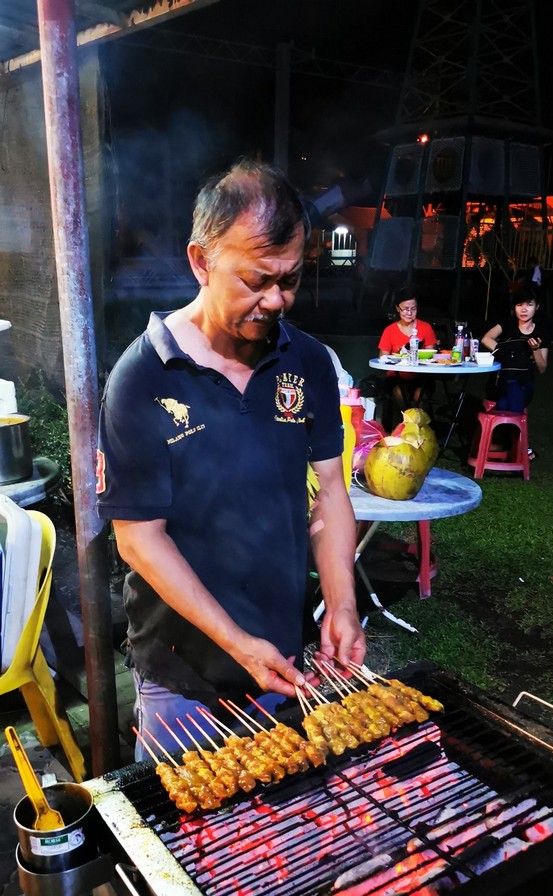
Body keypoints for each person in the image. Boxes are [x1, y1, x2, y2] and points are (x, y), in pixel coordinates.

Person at [96, 158, 366, 759]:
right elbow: (139, 539)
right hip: (181, 678)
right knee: (186, 842)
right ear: (201, 261)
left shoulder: (310, 363)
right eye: (255, 280)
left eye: (290, 280)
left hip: (284, 661)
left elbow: (330, 490)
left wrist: (342, 603)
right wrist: (238, 642)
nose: (275, 300)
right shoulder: (141, 378)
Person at [481, 281, 549, 458]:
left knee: (506, 402)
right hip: (501, 383)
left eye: (529, 305)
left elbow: (542, 368)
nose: (524, 309)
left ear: (537, 307)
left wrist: (535, 350)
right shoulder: (508, 324)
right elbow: (486, 338)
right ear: (515, 307)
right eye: (520, 305)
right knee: (510, 386)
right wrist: (502, 350)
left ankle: (505, 443)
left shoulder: (541, 334)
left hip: (525, 386)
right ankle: (522, 446)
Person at [376, 286, 438, 428]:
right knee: (399, 393)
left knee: (420, 396)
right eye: (405, 309)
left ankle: (420, 432)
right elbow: (383, 357)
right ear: (398, 308)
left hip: (421, 376)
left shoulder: (425, 328)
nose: (409, 313)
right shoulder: (390, 330)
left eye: (413, 309)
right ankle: (405, 429)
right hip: (396, 377)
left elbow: (431, 355)